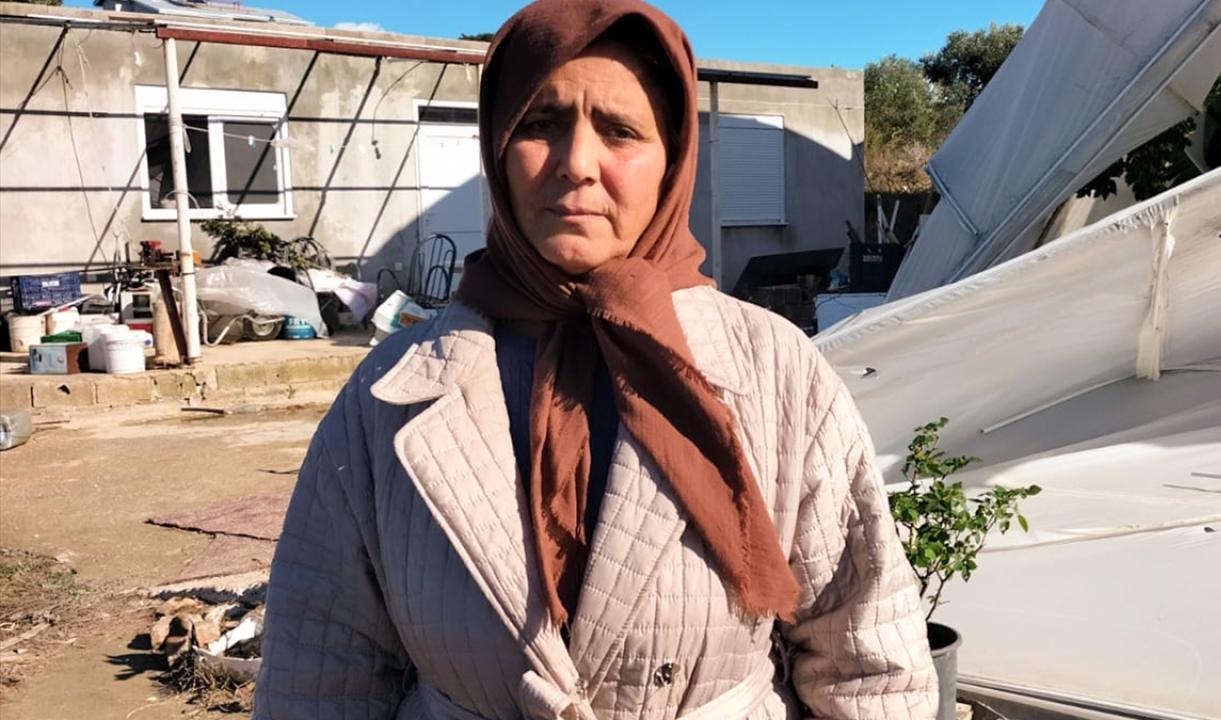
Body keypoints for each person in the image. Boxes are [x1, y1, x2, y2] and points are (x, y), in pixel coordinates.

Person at [254, 0, 937, 717]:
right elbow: (321, 671)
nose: (577, 164)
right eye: (540, 124)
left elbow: (869, 666)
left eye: (619, 131)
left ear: (673, 158)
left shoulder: (777, 370)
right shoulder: (388, 392)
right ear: (496, 147)